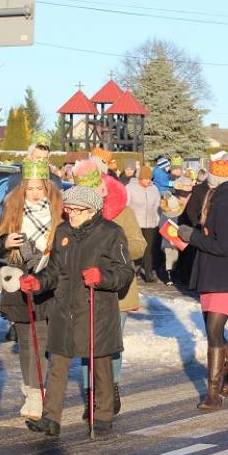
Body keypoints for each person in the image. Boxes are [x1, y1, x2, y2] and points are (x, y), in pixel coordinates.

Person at [20, 185, 135, 436]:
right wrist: (38, 282)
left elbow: (126, 271)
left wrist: (103, 276)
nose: (70, 214)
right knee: (58, 362)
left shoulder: (111, 233)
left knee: (100, 362)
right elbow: (54, 271)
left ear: (91, 210)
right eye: (68, 209)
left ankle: (103, 414)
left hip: (96, 308)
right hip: (64, 307)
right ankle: (50, 418)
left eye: (75, 210)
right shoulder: (63, 232)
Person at [0, 158, 63, 421]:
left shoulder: (58, 214)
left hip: (46, 282)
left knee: (39, 339)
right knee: (24, 340)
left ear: (48, 189)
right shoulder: (13, 210)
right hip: (18, 281)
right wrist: (5, 242)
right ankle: (30, 385)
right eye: (30, 188)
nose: (34, 194)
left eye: (39, 189)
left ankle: (37, 392)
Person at [74, 160, 146, 416]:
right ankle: (91, 394)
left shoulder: (123, 213)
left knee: (110, 345)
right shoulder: (75, 214)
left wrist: (116, 247)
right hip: (85, 289)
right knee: (87, 344)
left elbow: (139, 246)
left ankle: (111, 388)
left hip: (117, 291)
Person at [176, 152, 228, 409]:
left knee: (214, 333)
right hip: (212, 274)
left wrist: (192, 236)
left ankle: (213, 393)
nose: (206, 178)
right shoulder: (218, 197)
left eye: (209, 175)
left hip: (223, 276)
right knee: (214, 331)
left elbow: (224, 246)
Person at [127, 164, 162, 284]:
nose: (147, 181)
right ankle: (134, 271)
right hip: (136, 223)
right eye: (145, 178)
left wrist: (159, 218)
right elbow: (126, 205)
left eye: (149, 178)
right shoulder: (130, 188)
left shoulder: (154, 189)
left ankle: (148, 274)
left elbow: (158, 205)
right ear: (140, 178)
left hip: (151, 223)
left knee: (148, 249)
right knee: (136, 248)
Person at [159, 192, 186, 285]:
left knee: (175, 258)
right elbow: (161, 226)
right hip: (167, 241)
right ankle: (168, 276)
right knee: (168, 257)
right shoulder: (165, 214)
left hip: (176, 241)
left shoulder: (179, 214)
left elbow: (181, 225)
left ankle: (172, 273)